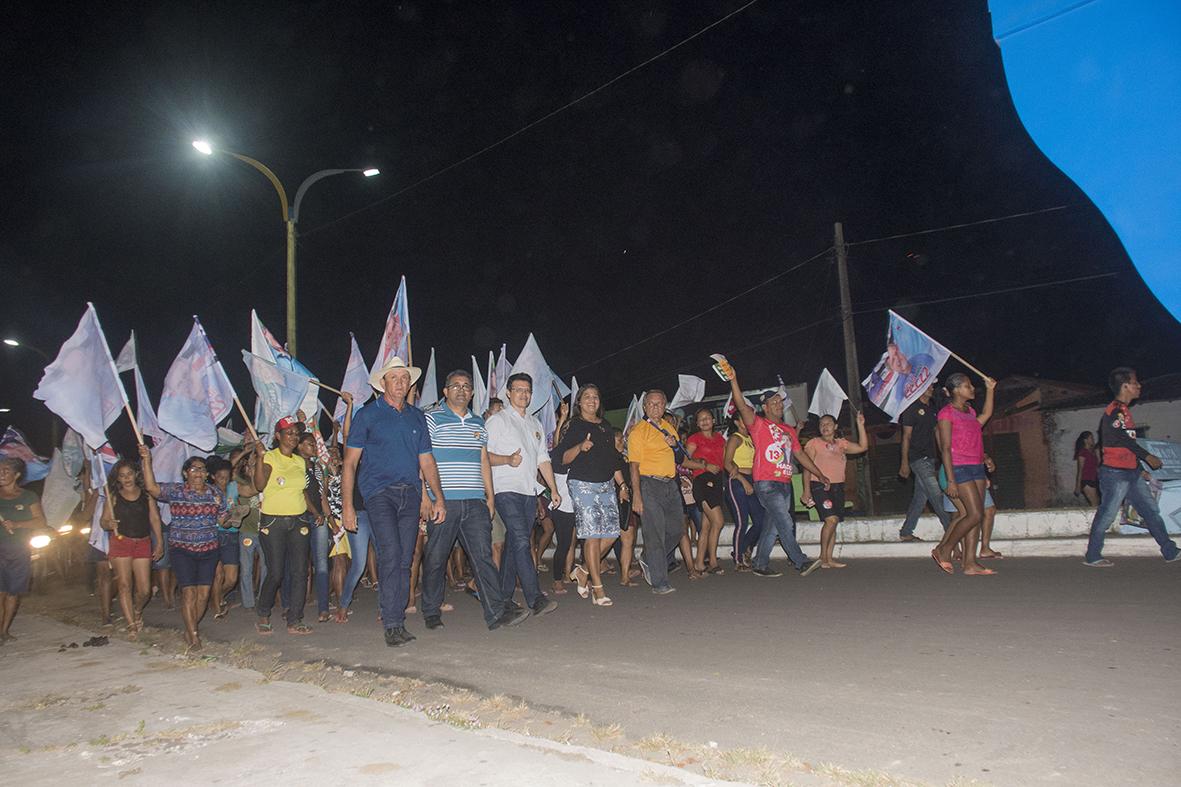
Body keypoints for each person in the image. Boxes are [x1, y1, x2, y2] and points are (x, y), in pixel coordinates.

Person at [342, 356, 447, 647]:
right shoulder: (367, 415)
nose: (401, 383)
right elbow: (349, 463)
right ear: (383, 383)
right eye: (394, 378)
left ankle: (396, 617)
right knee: (390, 553)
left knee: (406, 558)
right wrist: (348, 506)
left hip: (410, 494)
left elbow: (426, 460)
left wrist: (438, 498)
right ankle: (392, 622)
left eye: (404, 378)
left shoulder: (416, 417)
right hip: (379, 493)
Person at [422, 370, 529, 630]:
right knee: (436, 557)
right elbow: (422, 459)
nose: (461, 389)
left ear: (471, 393)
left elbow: (483, 461)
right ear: (445, 391)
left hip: (475, 501)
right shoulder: (431, 419)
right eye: (455, 385)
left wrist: (490, 497)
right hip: (443, 502)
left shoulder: (478, 423)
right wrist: (425, 496)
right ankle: (431, 610)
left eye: (466, 386)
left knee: (483, 557)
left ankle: (496, 613)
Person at [726, 366, 829, 578]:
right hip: (766, 483)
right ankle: (800, 561)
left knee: (772, 527)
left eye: (780, 401)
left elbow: (800, 456)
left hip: (784, 482)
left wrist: (819, 473)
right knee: (784, 520)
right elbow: (741, 405)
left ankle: (760, 563)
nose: (778, 405)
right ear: (764, 407)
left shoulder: (789, 430)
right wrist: (734, 380)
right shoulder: (758, 424)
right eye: (773, 402)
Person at [1083, 368, 1180, 567]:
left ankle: (1170, 551)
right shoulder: (1115, 411)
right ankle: (1093, 555)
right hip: (1115, 472)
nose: (1139, 386)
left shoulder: (1124, 411)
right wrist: (1146, 456)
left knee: (1150, 511)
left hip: (1130, 472)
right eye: (1135, 382)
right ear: (1125, 386)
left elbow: (1124, 442)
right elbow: (1121, 438)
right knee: (1107, 514)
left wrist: (1138, 467)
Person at [486, 372, 560, 617]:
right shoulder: (498, 421)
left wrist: (553, 489)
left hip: (529, 491)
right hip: (505, 489)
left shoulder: (535, 423)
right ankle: (535, 597)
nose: (523, 394)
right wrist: (507, 459)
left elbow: (543, 459)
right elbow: (482, 455)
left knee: (513, 545)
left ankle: (503, 599)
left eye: (527, 390)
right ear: (508, 393)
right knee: (519, 538)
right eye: (518, 389)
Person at [140, 446, 227, 650]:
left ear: (207, 474)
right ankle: (194, 636)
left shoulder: (215, 494)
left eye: (202, 470)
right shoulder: (176, 491)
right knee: (189, 594)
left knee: (203, 595)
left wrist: (234, 518)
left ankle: (189, 628)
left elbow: (223, 520)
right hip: (182, 549)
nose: (199, 473)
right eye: (194, 469)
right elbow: (152, 488)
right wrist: (146, 460)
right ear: (185, 473)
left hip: (209, 550)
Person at [555, 383, 625, 606]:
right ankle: (598, 589)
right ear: (579, 401)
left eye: (595, 397)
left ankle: (583, 570)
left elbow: (613, 459)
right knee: (592, 535)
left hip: (607, 485)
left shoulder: (605, 425)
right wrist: (580, 447)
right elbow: (561, 458)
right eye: (587, 396)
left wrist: (622, 485)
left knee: (613, 533)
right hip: (582, 484)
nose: (592, 400)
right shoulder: (573, 425)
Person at [929, 372, 998, 576]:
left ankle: (970, 563)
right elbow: (946, 448)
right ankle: (944, 549)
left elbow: (985, 416)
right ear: (956, 390)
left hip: (976, 466)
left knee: (976, 516)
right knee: (974, 513)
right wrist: (950, 479)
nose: (971, 389)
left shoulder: (969, 412)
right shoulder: (946, 413)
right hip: (959, 467)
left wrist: (990, 390)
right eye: (967, 386)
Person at [251, 417, 313, 636]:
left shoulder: (299, 461)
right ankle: (263, 612)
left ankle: (295, 619)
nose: (294, 436)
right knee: (276, 572)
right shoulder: (269, 457)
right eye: (289, 433)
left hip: (299, 520)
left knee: (300, 572)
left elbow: (303, 491)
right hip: (274, 521)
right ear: (278, 436)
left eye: (296, 433)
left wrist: (314, 512)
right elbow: (258, 485)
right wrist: (259, 458)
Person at [627, 389, 685, 594]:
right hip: (648, 484)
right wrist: (637, 495)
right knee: (655, 533)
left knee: (677, 529)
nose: (655, 407)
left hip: (670, 484)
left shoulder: (669, 428)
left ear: (665, 405)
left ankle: (647, 558)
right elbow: (633, 466)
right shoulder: (638, 432)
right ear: (644, 407)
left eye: (659, 404)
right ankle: (660, 582)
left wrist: (675, 446)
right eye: (650, 404)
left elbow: (680, 458)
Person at [101, 459, 164, 639]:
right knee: (124, 584)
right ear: (118, 478)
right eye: (122, 475)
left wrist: (159, 542)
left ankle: (137, 611)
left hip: (143, 542)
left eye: (129, 474)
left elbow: (154, 520)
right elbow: (103, 521)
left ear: (136, 474)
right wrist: (108, 523)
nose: (126, 478)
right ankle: (131, 625)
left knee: (144, 589)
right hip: (121, 542)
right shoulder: (113, 496)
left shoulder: (146, 495)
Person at [801, 412, 869, 568]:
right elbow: (807, 467)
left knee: (834, 521)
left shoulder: (841, 444)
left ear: (835, 426)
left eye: (828, 424)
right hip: (819, 485)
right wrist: (806, 490)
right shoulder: (814, 443)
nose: (825, 427)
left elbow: (862, 447)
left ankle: (828, 559)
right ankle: (822, 556)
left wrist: (860, 425)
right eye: (822, 424)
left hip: (838, 486)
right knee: (830, 519)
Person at [897, 383, 952, 541]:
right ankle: (951, 531)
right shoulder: (911, 409)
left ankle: (906, 532)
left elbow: (936, 432)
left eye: (932, 387)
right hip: (917, 457)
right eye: (928, 387)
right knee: (936, 494)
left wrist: (943, 455)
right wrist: (904, 462)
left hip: (930, 457)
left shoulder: (932, 408)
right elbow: (906, 437)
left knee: (920, 497)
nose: (931, 389)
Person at [0, 458, 46, 643]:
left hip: (19, 550)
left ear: (17, 474)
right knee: (0, 591)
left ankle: (4, 631)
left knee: (13, 592)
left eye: (6, 470)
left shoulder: (28, 497)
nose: (1, 473)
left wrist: (17, 524)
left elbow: (41, 522)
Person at [685, 408, 727, 575]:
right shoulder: (694, 439)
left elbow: (724, 460)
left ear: (713, 420)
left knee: (706, 526)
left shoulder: (719, 438)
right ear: (697, 423)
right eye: (701, 419)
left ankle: (699, 563)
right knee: (718, 522)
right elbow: (684, 461)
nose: (704, 421)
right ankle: (713, 562)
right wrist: (704, 465)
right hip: (703, 481)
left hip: (717, 482)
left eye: (707, 418)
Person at [298, 432, 332, 623]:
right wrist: (316, 513)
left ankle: (324, 608)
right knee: (299, 564)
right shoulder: (295, 464)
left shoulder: (317, 467)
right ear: (300, 446)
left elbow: (321, 496)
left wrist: (328, 518)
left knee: (321, 563)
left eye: (314, 443)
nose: (314, 446)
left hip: (319, 518)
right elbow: (302, 493)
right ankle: (291, 606)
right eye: (309, 444)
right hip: (302, 517)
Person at [723, 416, 763, 571]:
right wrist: (742, 479)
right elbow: (727, 462)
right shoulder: (735, 438)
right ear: (737, 422)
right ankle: (739, 560)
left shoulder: (751, 439)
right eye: (744, 420)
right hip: (738, 482)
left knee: (761, 520)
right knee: (742, 521)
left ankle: (743, 548)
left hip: (752, 481)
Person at [205, 456, 240, 620]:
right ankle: (218, 606)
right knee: (218, 575)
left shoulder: (234, 487)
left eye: (226, 477)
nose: (223, 481)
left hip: (231, 535)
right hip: (214, 534)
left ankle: (217, 597)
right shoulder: (208, 491)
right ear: (213, 476)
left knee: (231, 578)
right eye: (220, 477)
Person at [231, 450, 264, 611]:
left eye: (257, 465)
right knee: (246, 568)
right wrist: (245, 451)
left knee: (266, 568)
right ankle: (248, 602)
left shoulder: (266, 483)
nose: (253, 468)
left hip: (265, 532)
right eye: (251, 466)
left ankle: (263, 599)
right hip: (247, 532)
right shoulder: (240, 484)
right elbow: (230, 468)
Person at [1074, 431, 1101, 507]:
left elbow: (1098, 466)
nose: (1093, 440)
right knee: (1094, 503)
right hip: (1086, 480)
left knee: (1097, 503)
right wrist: (1078, 486)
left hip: (1094, 479)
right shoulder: (1083, 453)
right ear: (1085, 440)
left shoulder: (1093, 452)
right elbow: (1080, 470)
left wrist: (1098, 455)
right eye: (1091, 438)